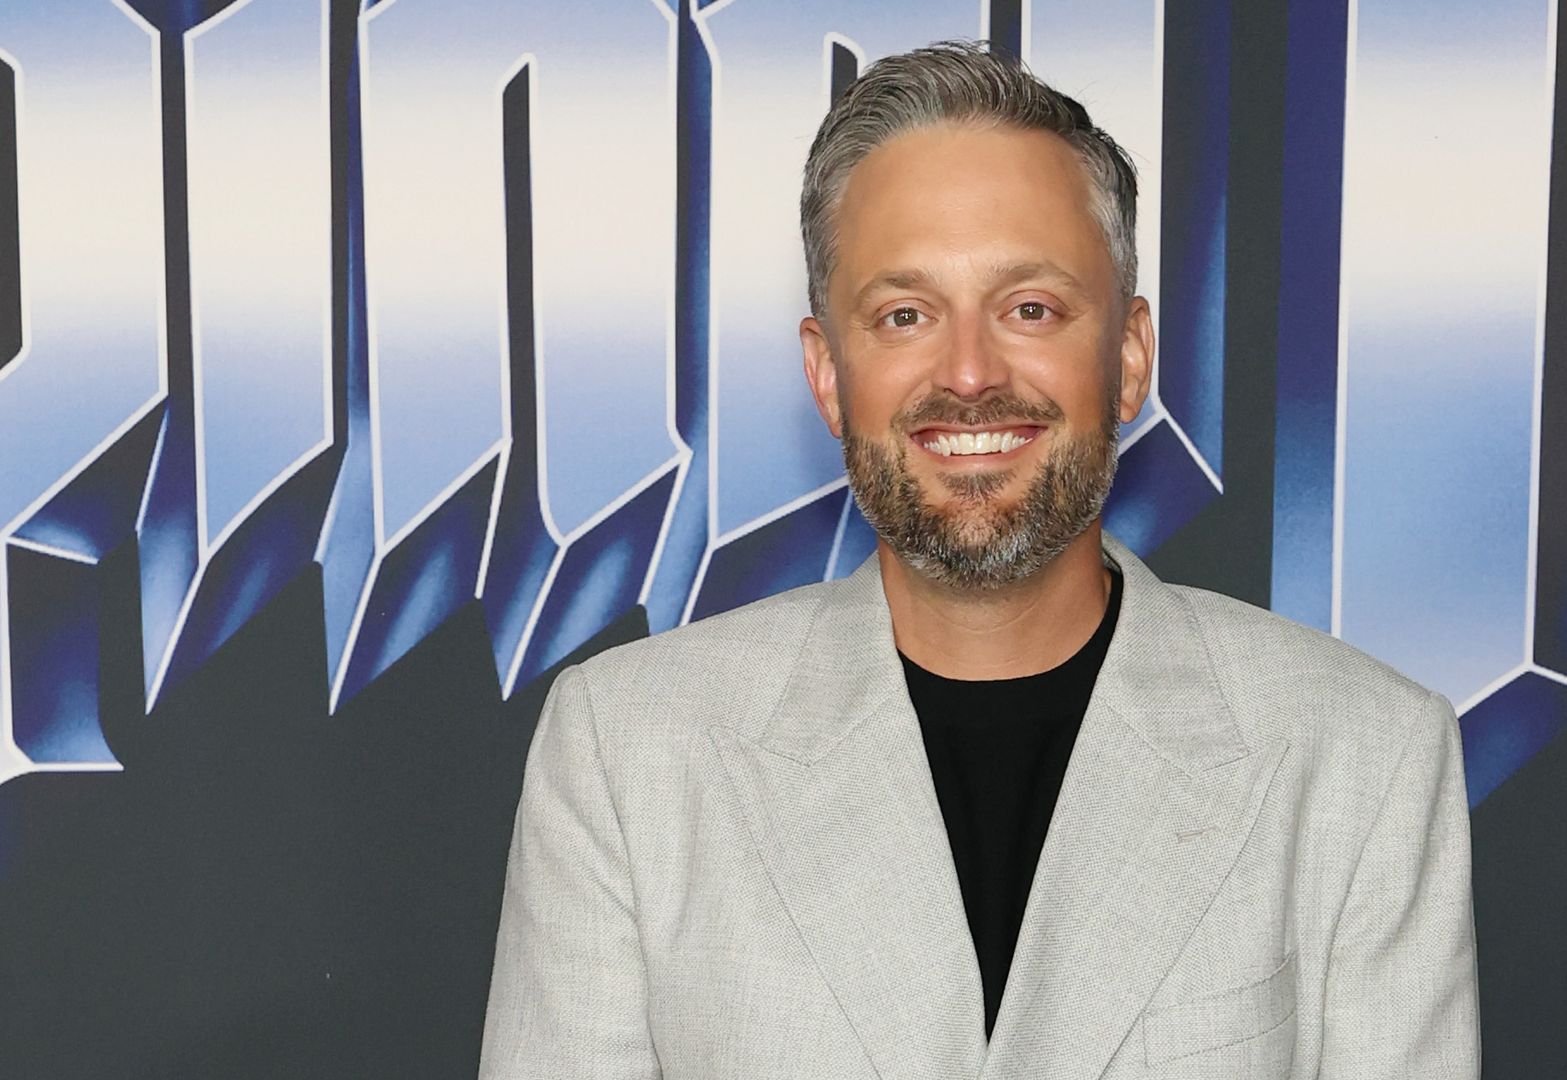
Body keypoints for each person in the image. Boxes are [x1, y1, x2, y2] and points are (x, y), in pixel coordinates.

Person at [479, 41, 1477, 1079]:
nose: (967, 374)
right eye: (905, 315)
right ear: (828, 373)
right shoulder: (628, 755)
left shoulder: (1360, 756)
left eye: (1030, 309)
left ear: (1129, 358)